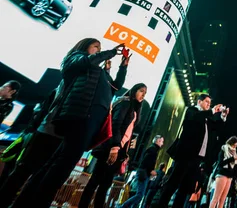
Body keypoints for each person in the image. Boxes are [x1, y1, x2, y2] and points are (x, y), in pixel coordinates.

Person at [12, 38, 127, 208]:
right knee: (60, 166)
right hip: (79, 116)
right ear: (84, 46)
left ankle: (28, 202)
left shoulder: (96, 70)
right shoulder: (77, 58)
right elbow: (89, 61)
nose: (98, 50)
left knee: (59, 163)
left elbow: (115, 86)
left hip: (90, 120)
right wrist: (110, 52)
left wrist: (123, 66)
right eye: (96, 46)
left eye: (100, 48)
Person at [153, 93, 228, 207]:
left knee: (185, 187)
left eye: (210, 103)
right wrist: (212, 111)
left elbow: (216, 128)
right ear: (199, 102)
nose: (209, 105)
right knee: (173, 183)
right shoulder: (192, 111)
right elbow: (195, 118)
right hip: (185, 155)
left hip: (197, 159)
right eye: (206, 102)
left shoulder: (206, 117)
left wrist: (223, 116)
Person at [79, 83, 146, 207]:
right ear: (135, 90)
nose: (143, 95)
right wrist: (115, 148)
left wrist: (124, 153)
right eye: (141, 91)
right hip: (109, 149)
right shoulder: (125, 103)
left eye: (145, 93)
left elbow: (127, 133)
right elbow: (115, 125)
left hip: (118, 150)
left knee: (105, 183)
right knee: (96, 181)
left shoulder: (134, 109)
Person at [119, 134, 164, 208]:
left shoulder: (152, 149)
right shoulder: (152, 150)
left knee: (140, 195)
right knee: (139, 195)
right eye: (162, 141)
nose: (162, 144)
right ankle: (123, 206)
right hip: (143, 173)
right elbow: (146, 162)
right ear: (158, 141)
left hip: (143, 173)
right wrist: (151, 170)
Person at [210, 136, 237, 208]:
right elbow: (221, 163)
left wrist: (236, 160)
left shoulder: (234, 152)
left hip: (229, 176)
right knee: (216, 198)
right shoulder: (223, 149)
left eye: (236, 145)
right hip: (222, 174)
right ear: (231, 142)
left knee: (222, 200)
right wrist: (232, 158)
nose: (235, 146)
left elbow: (232, 165)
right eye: (234, 144)